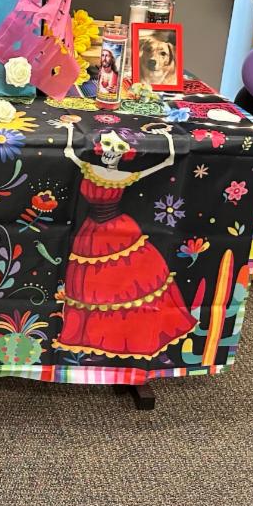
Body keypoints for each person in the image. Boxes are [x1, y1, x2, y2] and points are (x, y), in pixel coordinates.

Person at [53, 124, 196, 359]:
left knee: (123, 284)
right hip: (90, 232)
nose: (111, 151)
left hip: (118, 230)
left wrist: (167, 138)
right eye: (107, 144)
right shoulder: (89, 167)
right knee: (90, 284)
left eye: (118, 147)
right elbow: (69, 151)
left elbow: (167, 162)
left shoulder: (122, 176)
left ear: (126, 152)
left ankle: (124, 337)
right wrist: (70, 127)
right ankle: (94, 336)